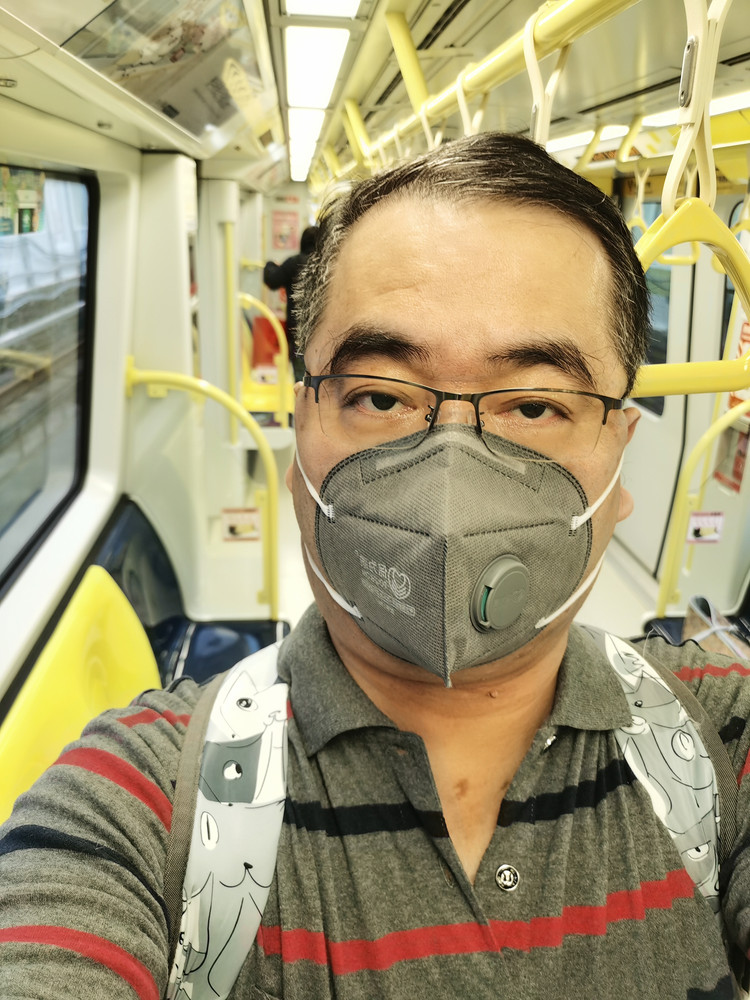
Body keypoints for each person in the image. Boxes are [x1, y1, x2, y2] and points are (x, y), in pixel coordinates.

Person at [2, 132, 750, 999]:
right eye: (382, 396)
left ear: (620, 449)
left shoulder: (721, 738)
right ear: (300, 430)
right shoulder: (141, 805)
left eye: (535, 405)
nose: (450, 483)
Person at [263, 224, 318, 381]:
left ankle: (303, 394)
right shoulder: (326, 265)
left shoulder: (294, 263)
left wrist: (269, 264)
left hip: (297, 328)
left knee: (301, 376)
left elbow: (272, 280)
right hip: (320, 328)